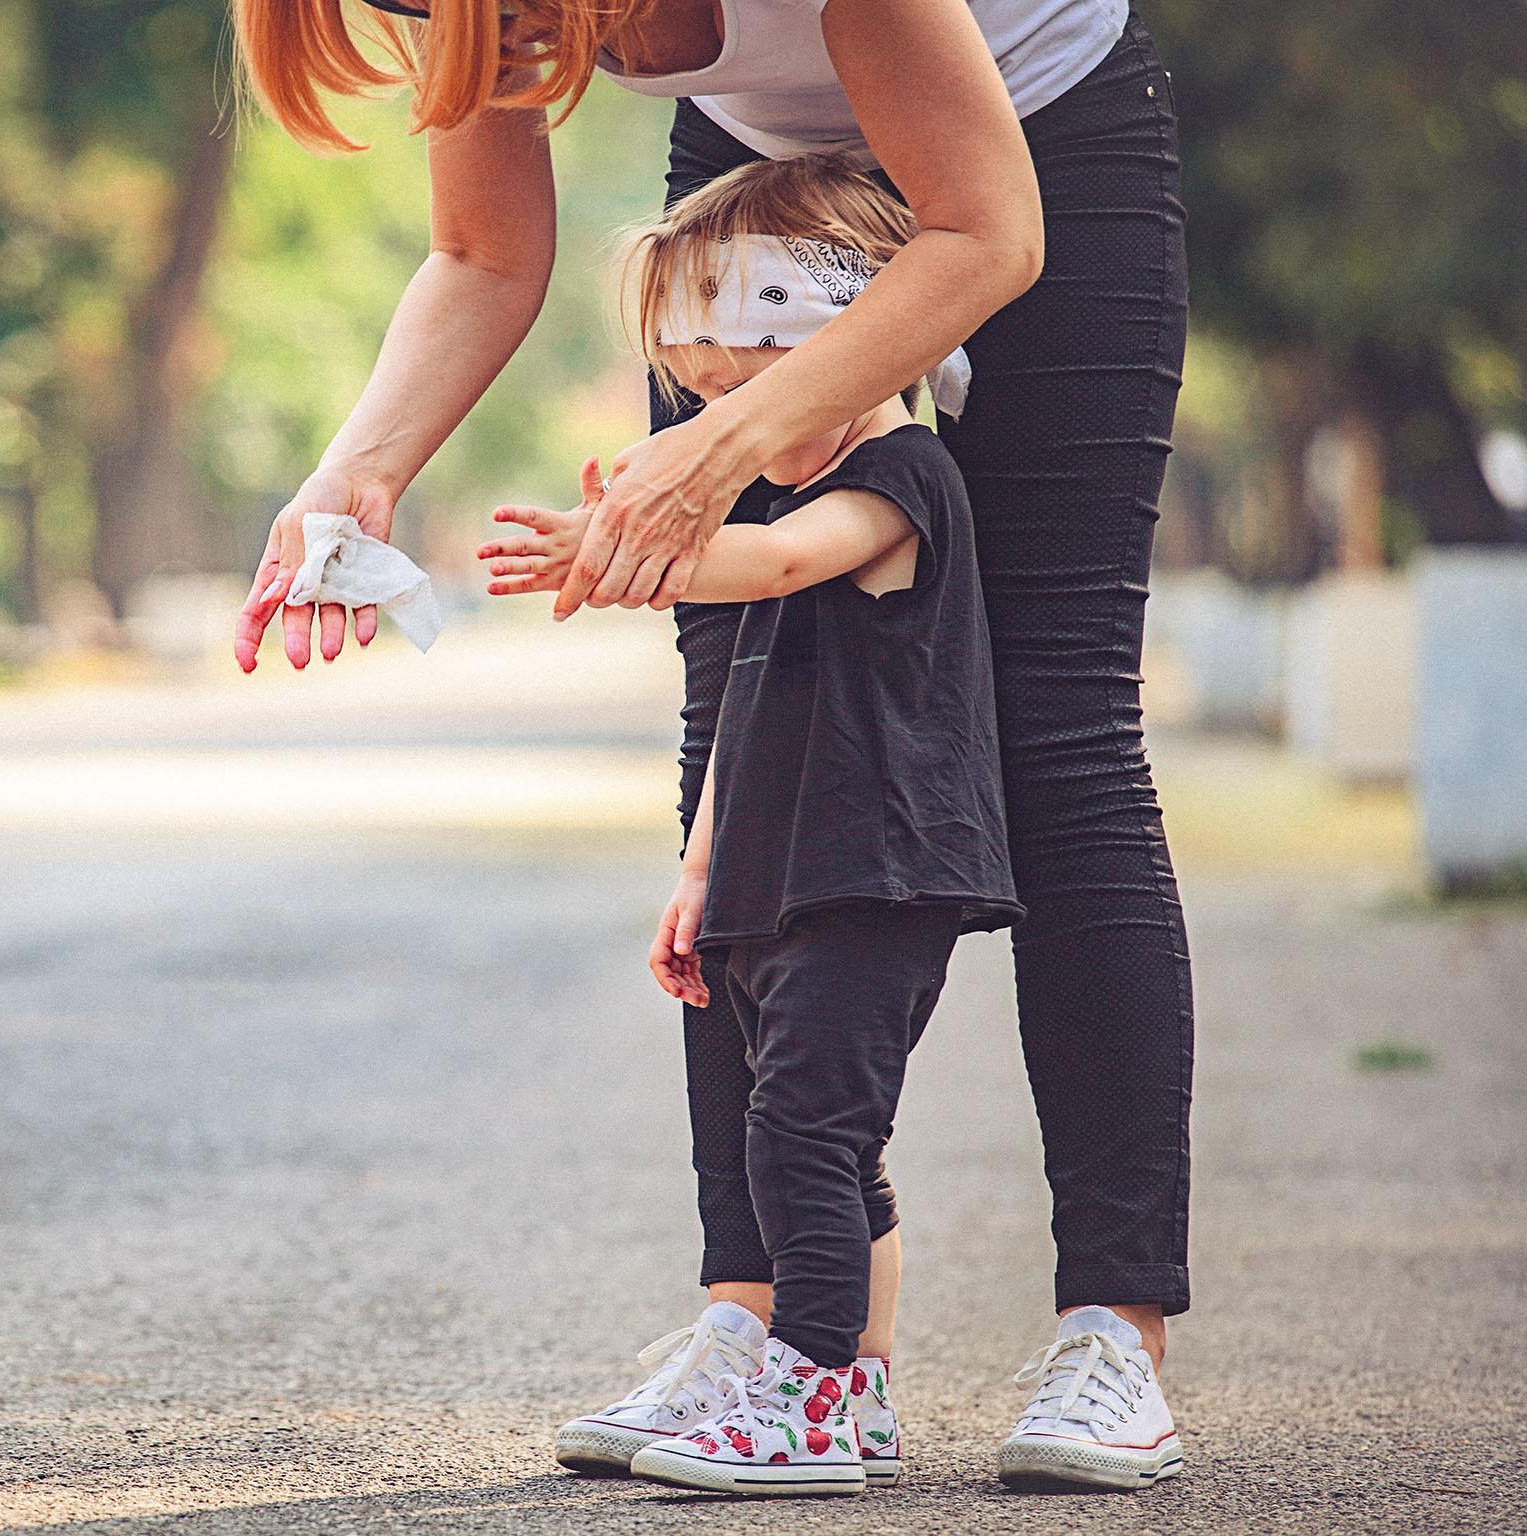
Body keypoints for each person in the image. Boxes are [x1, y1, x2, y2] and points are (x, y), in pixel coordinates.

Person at [229, 0, 1193, 1492]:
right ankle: (777, 1334)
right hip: (761, 187)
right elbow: (483, 250)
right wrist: (358, 472)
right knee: (744, 725)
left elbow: (989, 234)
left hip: (1031, 152)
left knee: (1056, 737)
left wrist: (727, 443)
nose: (458, 28)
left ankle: (1111, 1334)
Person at [482, 153, 1034, 1493]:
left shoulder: (899, 478)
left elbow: (780, 565)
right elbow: (739, 701)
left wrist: (621, 544)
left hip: (877, 874)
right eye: (709, 396)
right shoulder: (789, 491)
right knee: (826, 1141)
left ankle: (810, 1398)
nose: (727, 423)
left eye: (749, 387)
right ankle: (864, 1393)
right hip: (783, 876)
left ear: (847, 344)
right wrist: (699, 868)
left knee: (802, 1139)